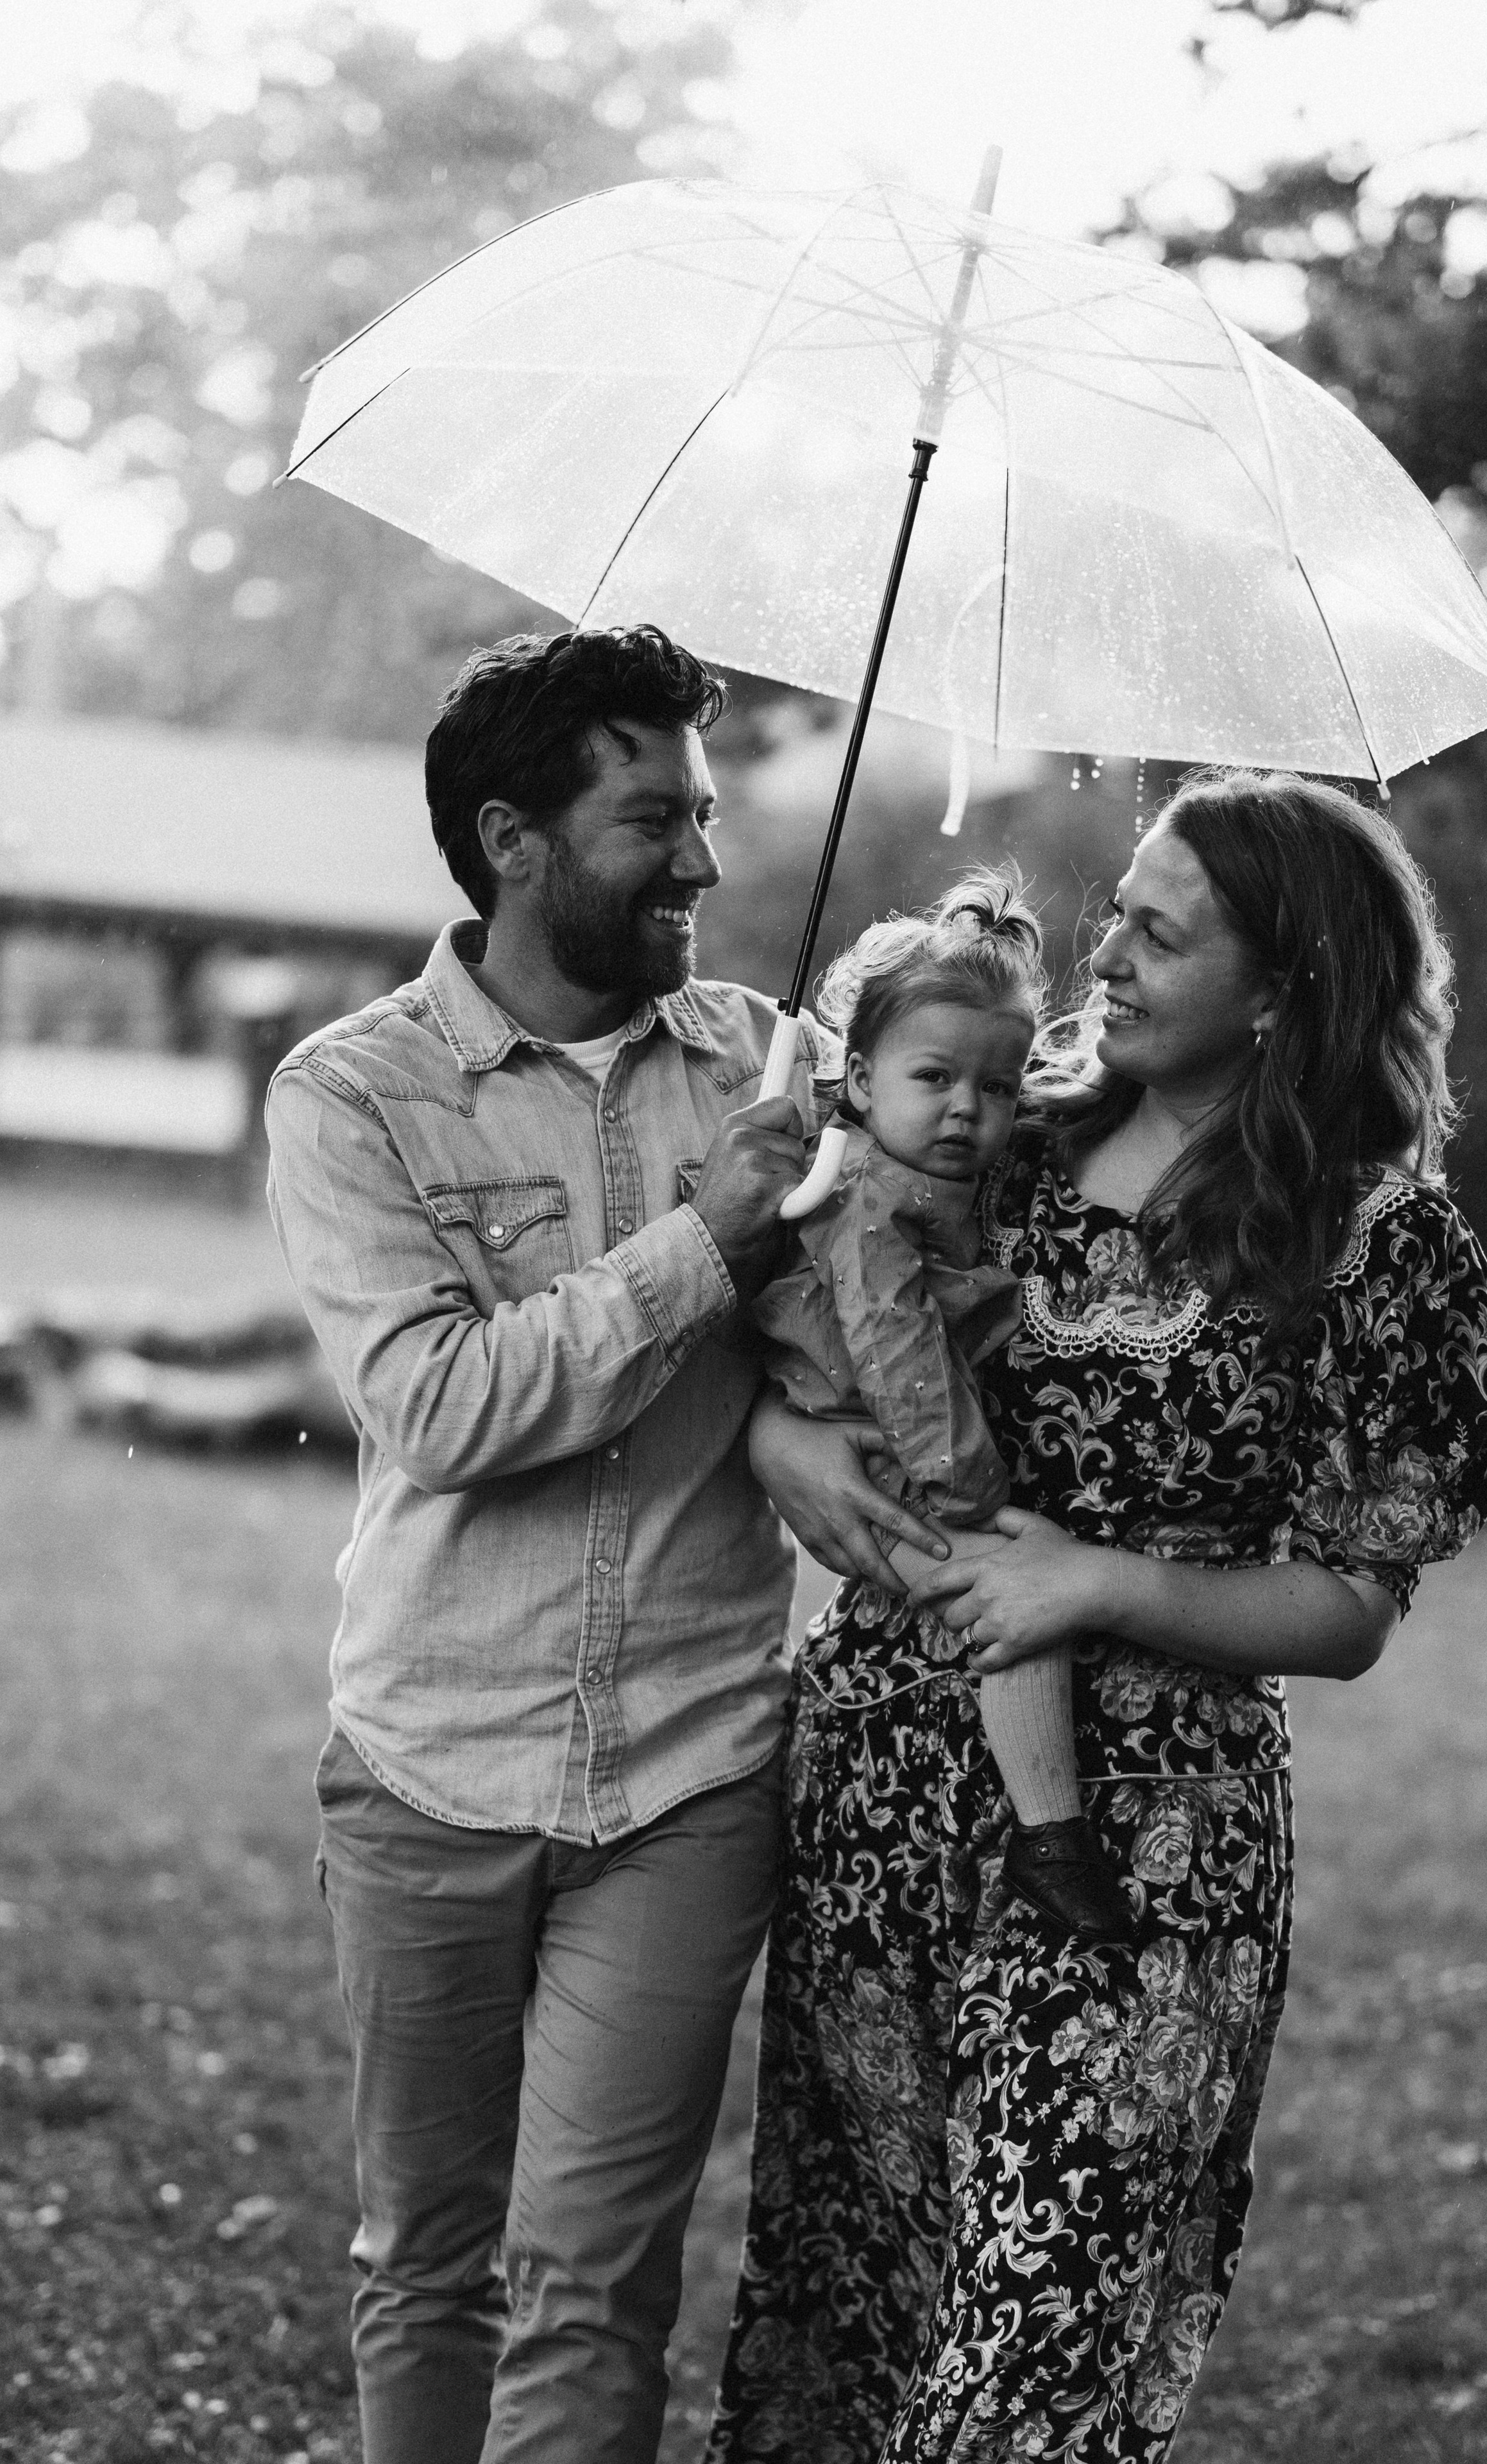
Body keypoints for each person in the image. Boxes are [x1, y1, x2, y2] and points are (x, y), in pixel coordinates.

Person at [709, 770, 1487, 2464]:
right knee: (862, 2292)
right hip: (886, 1798)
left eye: (1165, 930)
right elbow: (808, 1306)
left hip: (1150, 1844)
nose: (1115, 952)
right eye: (1120, 914)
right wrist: (780, 1433)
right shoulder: (1004, 1131)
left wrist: (1101, 1581)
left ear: (1286, 979)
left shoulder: (1376, 1240)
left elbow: (1354, 1602)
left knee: (1039, 2330)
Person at [264, 624, 935, 2464]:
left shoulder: (767, 1066)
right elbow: (446, 1411)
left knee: (595, 2287)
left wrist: (807, 1356)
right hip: (427, 1762)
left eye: (708, 816)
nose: (709, 865)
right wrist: (707, 1247)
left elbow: (855, 1362)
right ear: (514, 839)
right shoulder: (352, 1094)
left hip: (691, 1769)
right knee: (427, 2262)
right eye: (659, 820)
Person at [753, 865, 1130, 1941]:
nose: (969, 1109)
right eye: (936, 1078)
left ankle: (1041, 1828)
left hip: (890, 1440)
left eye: (999, 1087)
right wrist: (968, 1487)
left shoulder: (941, 1178)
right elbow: (899, 1347)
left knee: (1011, 1596)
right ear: (861, 1079)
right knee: (1013, 1597)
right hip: (876, 1452)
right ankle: (1050, 1834)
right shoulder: (870, 1196)